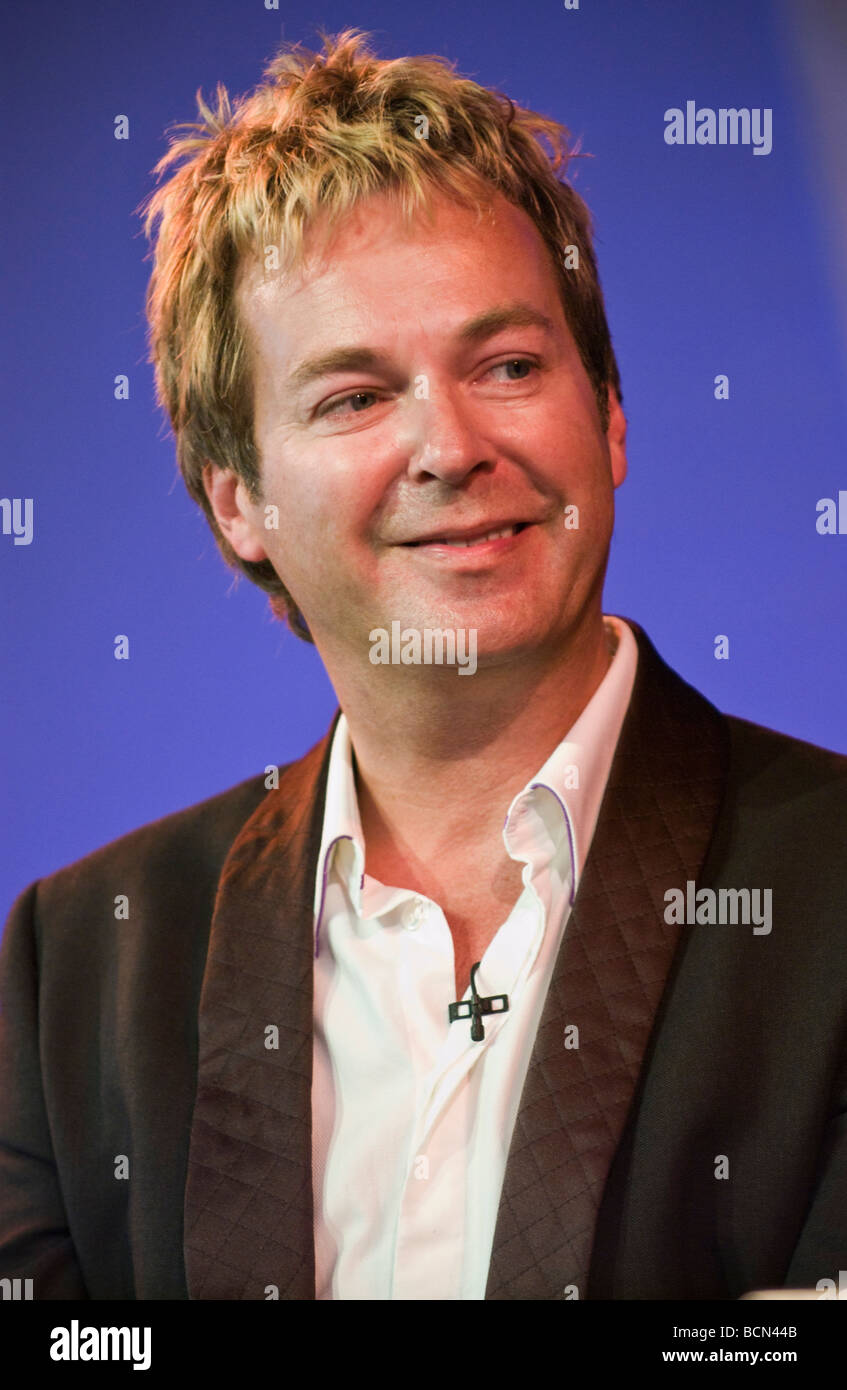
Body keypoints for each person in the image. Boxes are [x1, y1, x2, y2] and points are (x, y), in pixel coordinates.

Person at [1, 27, 846, 1303]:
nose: (449, 445)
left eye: (507, 366)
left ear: (608, 414)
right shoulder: (73, 973)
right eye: (353, 397)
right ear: (238, 502)